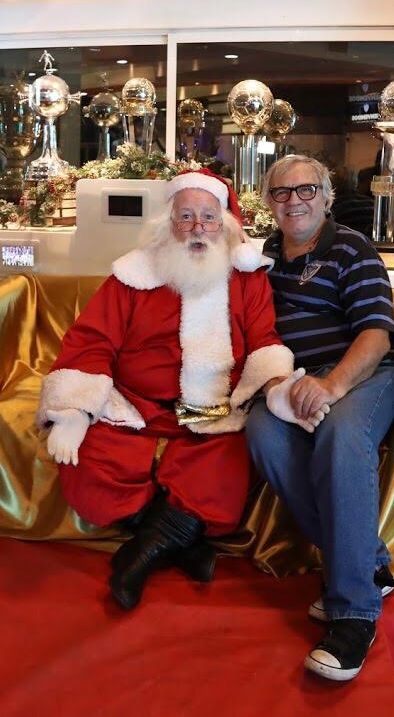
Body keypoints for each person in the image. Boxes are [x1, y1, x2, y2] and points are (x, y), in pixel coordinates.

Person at [37, 169, 322, 611]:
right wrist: (73, 410)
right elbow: (93, 341)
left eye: (208, 217)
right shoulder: (133, 274)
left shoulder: (247, 277)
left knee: (227, 466)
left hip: (213, 409)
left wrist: (276, 387)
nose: (197, 228)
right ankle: (179, 542)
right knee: (88, 462)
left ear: (224, 223)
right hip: (135, 406)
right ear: (169, 223)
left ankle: (141, 555)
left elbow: (264, 341)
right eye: (186, 217)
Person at [245, 155, 394, 682]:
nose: (295, 201)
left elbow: (376, 334)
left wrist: (332, 385)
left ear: (327, 195)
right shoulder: (264, 256)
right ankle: (368, 563)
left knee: (340, 433)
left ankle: (354, 613)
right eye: (282, 192)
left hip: (359, 374)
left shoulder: (352, 248)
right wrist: (276, 384)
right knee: (262, 433)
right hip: (294, 378)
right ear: (269, 202)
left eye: (306, 189)